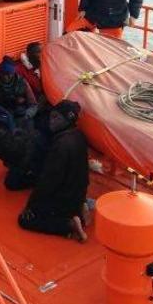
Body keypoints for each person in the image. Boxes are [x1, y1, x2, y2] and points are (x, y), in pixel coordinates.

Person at [18, 100, 90, 242]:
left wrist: (31, 206)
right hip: (78, 195)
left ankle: (68, 225)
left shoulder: (61, 145)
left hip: (64, 200)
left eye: (56, 118)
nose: (51, 121)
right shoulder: (79, 136)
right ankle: (79, 209)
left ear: (67, 120)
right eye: (52, 116)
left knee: (24, 221)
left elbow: (49, 180)